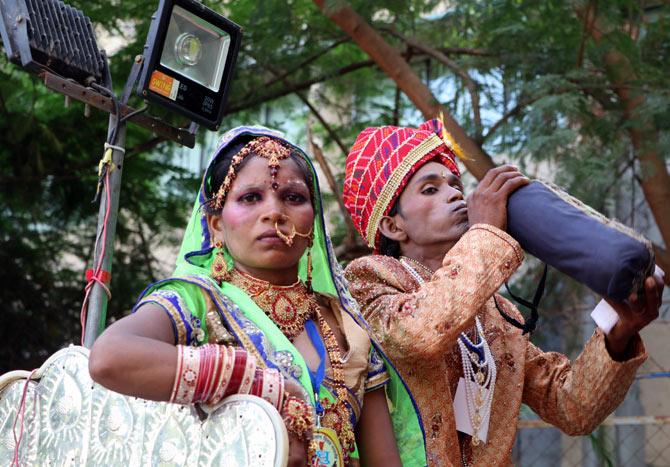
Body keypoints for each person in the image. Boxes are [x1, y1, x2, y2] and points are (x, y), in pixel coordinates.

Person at [89, 126, 426, 467]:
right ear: (216, 225)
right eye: (251, 197)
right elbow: (109, 357)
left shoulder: (347, 329)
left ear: (313, 226)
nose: (274, 212)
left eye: (294, 198)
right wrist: (256, 383)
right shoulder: (197, 301)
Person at [342, 119, 665, 466]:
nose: (454, 193)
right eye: (430, 190)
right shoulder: (366, 282)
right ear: (393, 225)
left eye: (454, 184)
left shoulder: (496, 311)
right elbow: (420, 332)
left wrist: (617, 336)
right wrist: (485, 233)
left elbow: (571, 408)